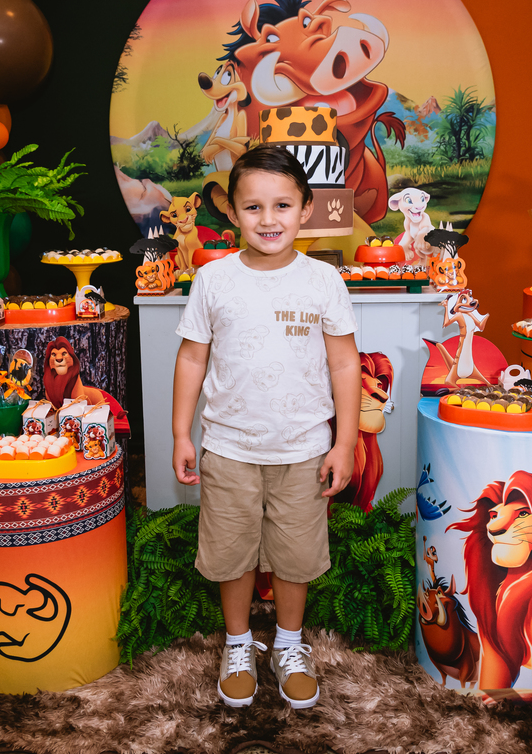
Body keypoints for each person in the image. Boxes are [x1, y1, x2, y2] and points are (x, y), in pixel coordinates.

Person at [172, 145, 360, 710]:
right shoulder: (213, 280)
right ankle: (236, 644)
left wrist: (345, 442)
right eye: (253, 207)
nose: (269, 219)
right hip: (228, 446)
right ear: (232, 213)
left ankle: (288, 643)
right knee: (231, 552)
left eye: (282, 205)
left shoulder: (323, 281)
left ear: (306, 209)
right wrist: (183, 433)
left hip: (304, 449)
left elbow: (345, 363)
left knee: (296, 555)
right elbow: (191, 359)